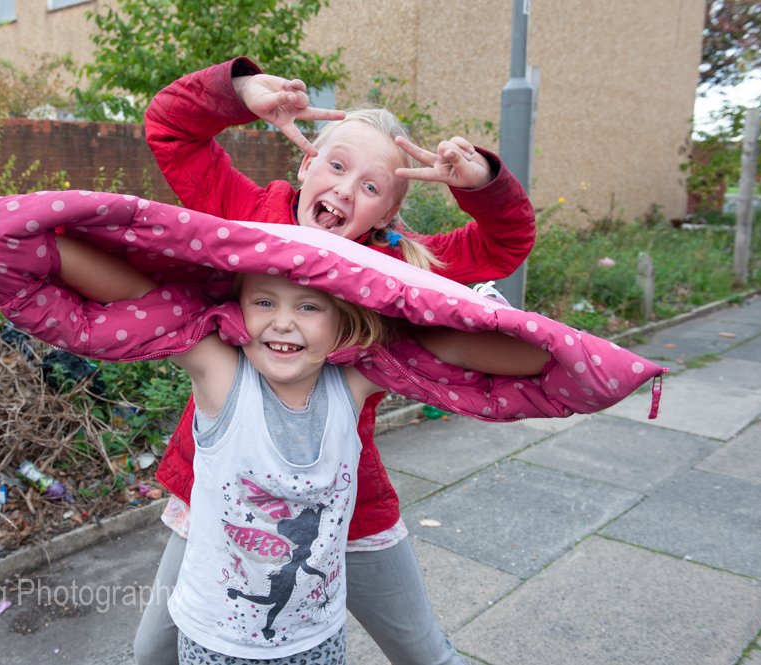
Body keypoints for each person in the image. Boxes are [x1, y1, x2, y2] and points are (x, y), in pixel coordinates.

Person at [138, 57, 535, 664]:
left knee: (424, 652)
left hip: (342, 501)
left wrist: (480, 184)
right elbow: (171, 130)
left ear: (387, 215)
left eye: (371, 188)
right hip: (226, 492)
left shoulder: (395, 266)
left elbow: (503, 245)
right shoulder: (248, 216)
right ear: (306, 164)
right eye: (337, 166)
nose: (346, 191)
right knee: (152, 652)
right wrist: (240, 90)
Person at [53, 233, 552, 663]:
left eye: (309, 307)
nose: (283, 322)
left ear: (343, 324)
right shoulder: (220, 376)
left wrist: (483, 315)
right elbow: (139, 296)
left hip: (317, 642)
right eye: (263, 302)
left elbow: (500, 354)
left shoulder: (353, 384)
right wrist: (41, 243)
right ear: (237, 309)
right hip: (215, 644)